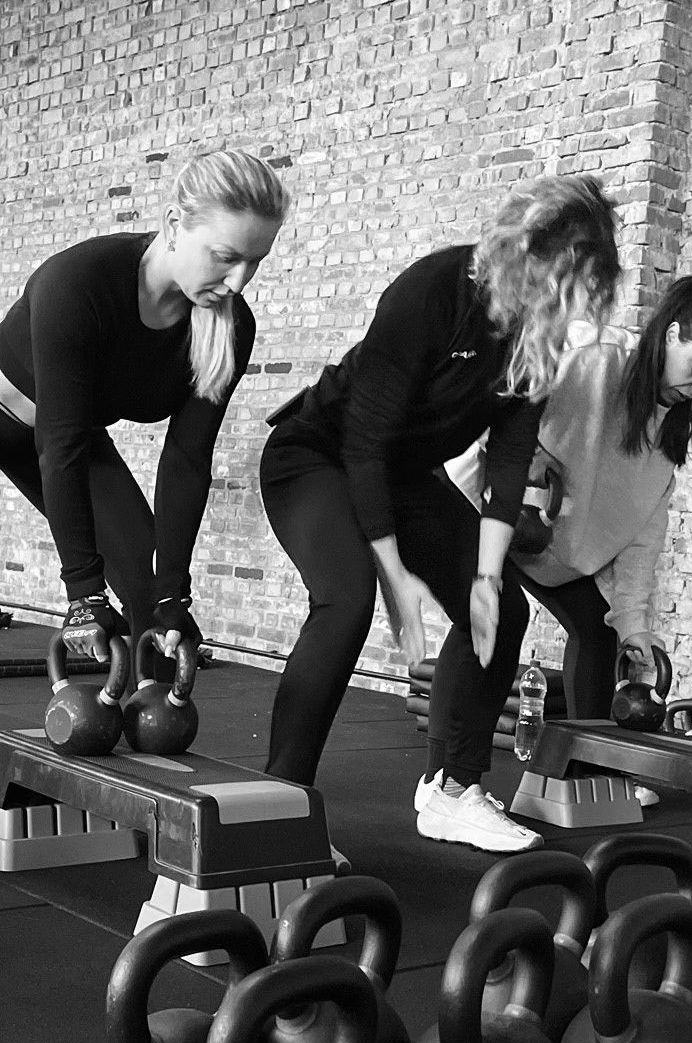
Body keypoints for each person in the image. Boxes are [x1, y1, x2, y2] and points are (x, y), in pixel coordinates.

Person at [0, 150, 290, 882]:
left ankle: (137, 770)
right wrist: (82, 596)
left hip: (56, 433)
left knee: (150, 591)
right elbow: (63, 446)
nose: (238, 282)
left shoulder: (226, 327)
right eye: (226, 257)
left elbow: (185, 465)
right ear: (175, 225)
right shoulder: (82, 281)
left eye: (254, 263)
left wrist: (173, 597)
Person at [258, 175, 622, 854]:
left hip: (403, 475)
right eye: (555, 282)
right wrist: (395, 575)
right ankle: (279, 812)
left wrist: (485, 576)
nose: (559, 303)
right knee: (347, 600)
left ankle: (453, 791)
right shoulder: (430, 292)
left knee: (502, 608)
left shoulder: (536, 337)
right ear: (521, 250)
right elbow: (364, 444)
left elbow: (509, 458)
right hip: (316, 456)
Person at [421, 275, 692, 833]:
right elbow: (494, 400)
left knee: (598, 631)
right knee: (490, 614)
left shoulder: (666, 436)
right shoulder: (593, 359)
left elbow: (643, 539)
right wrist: (498, 480)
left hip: (549, 541)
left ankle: (589, 771)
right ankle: (441, 783)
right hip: (482, 505)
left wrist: (634, 625)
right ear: (671, 335)